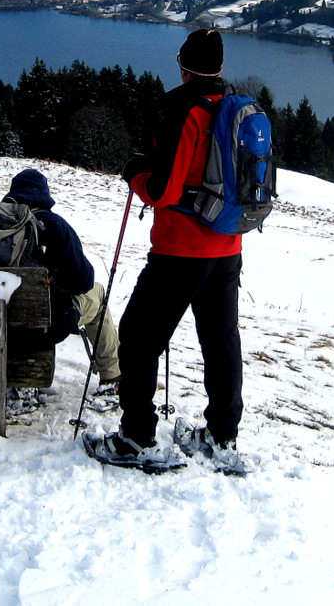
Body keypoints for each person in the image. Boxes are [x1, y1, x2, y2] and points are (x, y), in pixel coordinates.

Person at [86, 28, 246, 471]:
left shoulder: (185, 111)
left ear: (183, 65)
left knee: (137, 340)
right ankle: (220, 437)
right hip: (227, 248)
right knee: (221, 341)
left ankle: (137, 438)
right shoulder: (234, 107)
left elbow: (161, 190)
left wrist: (135, 171)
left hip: (180, 251)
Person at [1, 168, 120, 391]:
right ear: (44, 193)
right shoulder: (53, 225)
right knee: (98, 292)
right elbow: (83, 281)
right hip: (45, 326)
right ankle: (112, 377)